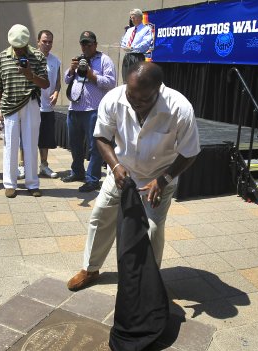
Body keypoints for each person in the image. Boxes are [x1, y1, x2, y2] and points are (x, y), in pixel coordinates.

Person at [67, 62, 201, 291]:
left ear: (157, 91)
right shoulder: (113, 98)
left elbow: (190, 152)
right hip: (121, 172)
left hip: (160, 178)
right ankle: (90, 268)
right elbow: (101, 137)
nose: (135, 103)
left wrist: (163, 180)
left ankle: (148, 282)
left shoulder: (180, 108)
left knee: (153, 229)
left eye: (143, 100)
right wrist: (116, 166)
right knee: (100, 217)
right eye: (131, 96)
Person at [0, 24, 49, 198]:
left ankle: (32, 183)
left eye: (21, 46)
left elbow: (45, 84)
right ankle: (10, 183)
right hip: (9, 106)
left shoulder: (37, 56)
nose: (19, 50)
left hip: (30, 103)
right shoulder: (3, 57)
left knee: (31, 144)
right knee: (10, 145)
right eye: (16, 46)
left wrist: (30, 75)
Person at [61, 31, 116, 192]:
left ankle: (93, 179)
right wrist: (71, 70)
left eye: (88, 44)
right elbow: (66, 80)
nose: (85, 47)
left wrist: (92, 75)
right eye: (83, 43)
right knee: (75, 144)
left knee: (95, 147)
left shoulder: (104, 60)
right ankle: (77, 172)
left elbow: (111, 83)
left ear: (95, 44)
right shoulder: (78, 59)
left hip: (94, 110)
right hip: (74, 109)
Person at [37, 29, 61, 179]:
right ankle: (22, 166)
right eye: (44, 41)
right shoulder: (31, 58)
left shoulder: (55, 60)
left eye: (50, 42)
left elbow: (58, 83)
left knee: (45, 138)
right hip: (32, 106)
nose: (47, 44)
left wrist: (56, 92)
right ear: (38, 41)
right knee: (27, 137)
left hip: (47, 107)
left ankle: (44, 166)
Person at [120, 8, 153, 83]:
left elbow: (146, 44)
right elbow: (123, 42)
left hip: (137, 57)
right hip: (127, 56)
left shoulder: (146, 29)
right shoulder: (129, 30)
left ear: (140, 18)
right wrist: (124, 46)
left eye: (133, 17)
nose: (132, 19)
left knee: (136, 80)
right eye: (131, 17)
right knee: (126, 80)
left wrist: (132, 48)